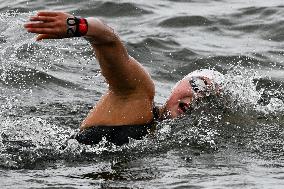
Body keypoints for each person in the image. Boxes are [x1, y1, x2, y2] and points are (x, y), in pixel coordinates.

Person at [24, 11, 222, 146]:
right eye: (198, 85)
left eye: (209, 97)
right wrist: (79, 26)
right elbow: (108, 39)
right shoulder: (138, 94)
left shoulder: (169, 142)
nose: (198, 97)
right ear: (179, 84)